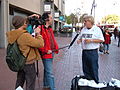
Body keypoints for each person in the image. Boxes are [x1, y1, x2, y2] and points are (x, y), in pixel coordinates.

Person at [6, 16, 44, 90]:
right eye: (25, 22)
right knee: (30, 84)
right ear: (23, 23)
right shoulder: (24, 36)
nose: (26, 23)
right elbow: (40, 44)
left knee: (19, 83)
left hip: (20, 62)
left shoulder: (13, 34)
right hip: (28, 63)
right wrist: (38, 34)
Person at [77, 15, 104, 83]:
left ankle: (95, 83)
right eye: (84, 21)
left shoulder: (97, 29)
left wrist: (91, 40)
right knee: (85, 69)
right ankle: (88, 84)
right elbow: (80, 37)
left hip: (93, 52)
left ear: (90, 21)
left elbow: (102, 40)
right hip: (84, 52)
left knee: (93, 68)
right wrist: (79, 40)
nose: (84, 23)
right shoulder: (83, 29)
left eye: (86, 21)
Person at [38, 12, 59, 90]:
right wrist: (46, 50)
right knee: (50, 73)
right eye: (50, 17)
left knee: (47, 70)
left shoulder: (50, 28)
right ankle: (53, 88)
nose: (52, 19)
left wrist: (56, 47)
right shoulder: (40, 28)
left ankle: (46, 85)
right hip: (46, 54)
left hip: (52, 52)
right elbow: (39, 43)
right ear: (46, 19)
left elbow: (52, 40)